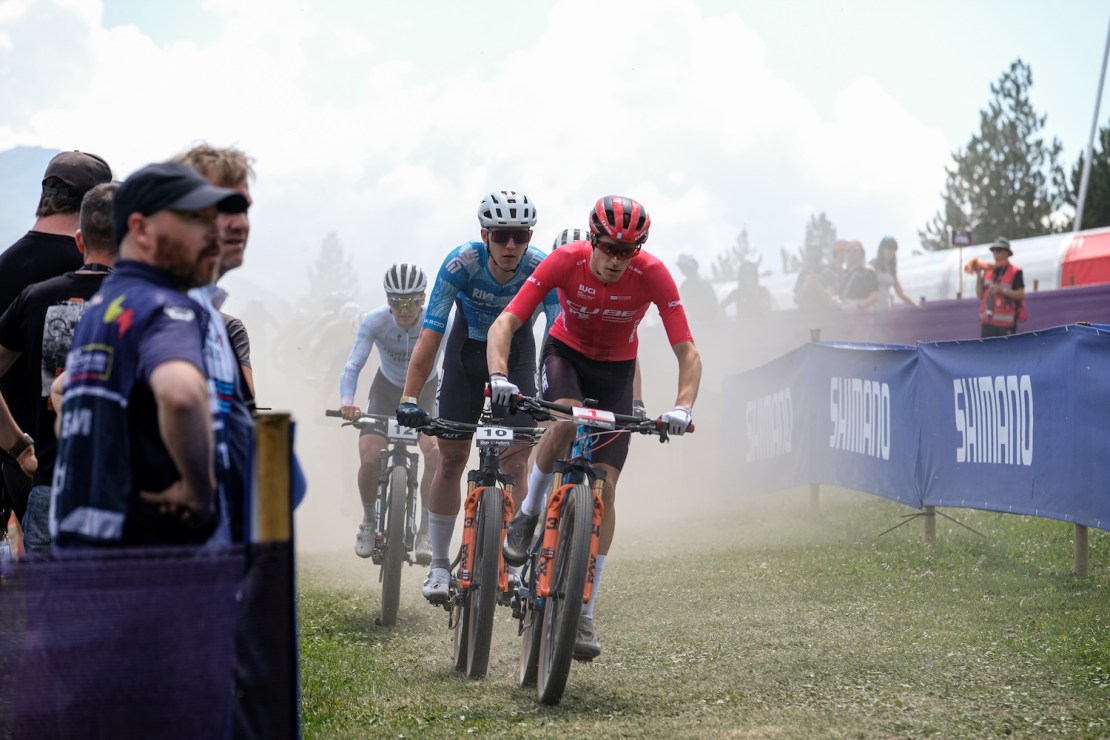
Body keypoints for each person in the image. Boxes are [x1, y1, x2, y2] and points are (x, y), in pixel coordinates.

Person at [488, 195, 701, 660]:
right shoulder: (566, 260)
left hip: (616, 373)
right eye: (608, 248)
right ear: (593, 239)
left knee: (606, 490)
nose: (616, 259)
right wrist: (500, 376)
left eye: (627, 251)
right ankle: (528, 513)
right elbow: (506, 322)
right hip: (565, 355)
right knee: (564, 421)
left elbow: (687, 351)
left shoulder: (653, 274)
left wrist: (683, 406)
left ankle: (584, 611)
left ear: (638, 249)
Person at [51, 161, 249, 547]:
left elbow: (65, 399)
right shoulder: (165, 307)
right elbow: (181, 393)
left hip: (90, 547)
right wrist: (198, 489)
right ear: (141, 230)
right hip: (150, 557)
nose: (212, 233)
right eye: (193, 219)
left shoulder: (104, 305)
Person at [395, 189, 559, 604]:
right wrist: (410, 397)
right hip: (465, 356)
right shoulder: (461, 263)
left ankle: (513, 567)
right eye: (501, 235)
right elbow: (430, 335)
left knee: (516, 464)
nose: (511, 245)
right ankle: (438, 565)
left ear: (530, 236)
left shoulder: (540, 267)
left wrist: (555, 397)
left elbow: (557, 336)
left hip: (518, 358)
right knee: (450, 460)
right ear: (485, 235)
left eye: (521, 236)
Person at [0, 182, 119, 551]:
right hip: (128, 496)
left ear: (80, 241)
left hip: (52, 490)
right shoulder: (154, 304)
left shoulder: (35, 299)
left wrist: (19, 446)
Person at [340, 264, 439, 564]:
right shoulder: (375, 321)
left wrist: (445, 406)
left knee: (435, 453)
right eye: (397, 301)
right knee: (370, 458)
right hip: (386, 391)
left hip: (425, 391)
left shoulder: (437, 321)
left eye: (412, 301)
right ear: (387, 300)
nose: (404, 309)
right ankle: (369, 520)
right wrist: (347, 401)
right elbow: (353, 365)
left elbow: (449, 366)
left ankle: (425, 529)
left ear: (423, 299)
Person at [173, 144, 257, 397]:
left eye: (243, 209)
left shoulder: (211, 315)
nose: (240, 224)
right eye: (224, 207)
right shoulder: (159, 307)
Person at [972, 237, 1025, 338]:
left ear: (1007, 253)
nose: (995, 252)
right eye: (993, 250)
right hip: (987, 324)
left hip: (1005, 326)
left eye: (999, 250)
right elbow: (980, 296)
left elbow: (1021, 295)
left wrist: (1001, 290)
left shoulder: (1015, 271)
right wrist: (978, 275)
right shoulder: (988, 270)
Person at [871, 236, 917, 309]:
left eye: (894, 249)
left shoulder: (891, 270)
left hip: (885, 309)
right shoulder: (873, 264)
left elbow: (901, 293)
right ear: (882, 249)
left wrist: (916, 305)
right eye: (889, 248)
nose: (891, 252)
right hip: (872, 310)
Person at [793, 241, 838, 311]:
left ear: (820, 257)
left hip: (823, 314)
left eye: (815, 259)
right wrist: (805, 286)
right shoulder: (802, 275)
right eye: (809, 259)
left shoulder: (828, 274)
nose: (812, 262)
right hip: (805, 314)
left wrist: (817, 286)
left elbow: (831, 299)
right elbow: (796, 300)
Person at [674, 252, 718, 323]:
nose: (681, 269)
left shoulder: (686, 286)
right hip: (704, 323)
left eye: (682, 267)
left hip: (700, 323)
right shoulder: (704, 283)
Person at [837, 240, 879, 312]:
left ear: (862, 253)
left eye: (855, 250)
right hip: (845, 313)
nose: (851, 253)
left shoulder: (868, 272)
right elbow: (840, 293)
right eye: (848, 251)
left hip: (862, 313)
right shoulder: (845, 273)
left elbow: (875, 296)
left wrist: (859, 305)